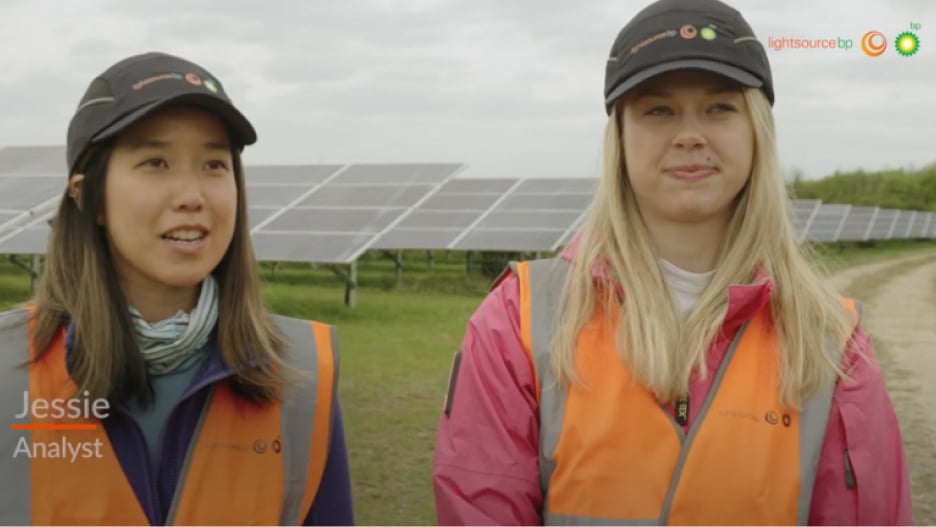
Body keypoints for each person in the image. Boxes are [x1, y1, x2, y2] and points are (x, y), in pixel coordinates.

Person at [432, 0, 913, 524]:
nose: (690, 135)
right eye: (657, 110)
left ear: (757, 132)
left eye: (720, 108)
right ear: (620, 138)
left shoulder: (831, 342)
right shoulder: (520, 320)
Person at [0, 52, 353, 525]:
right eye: (156, 162)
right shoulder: (8, 371)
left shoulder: (303, 374)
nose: (192, 196)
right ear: (88, 197)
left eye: (213, 164)